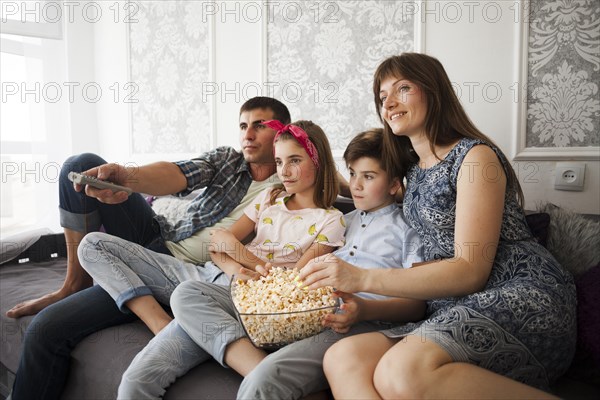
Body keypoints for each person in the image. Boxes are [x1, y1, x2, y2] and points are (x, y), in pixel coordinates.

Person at [298, 53, 576, 399]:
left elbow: (470, 270)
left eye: (403, 88)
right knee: (342, 357)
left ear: (433, 91)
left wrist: (360, 277)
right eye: (382, 96)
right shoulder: (412, 171)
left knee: (398, 371)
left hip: (519, 294)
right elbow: (360, 185)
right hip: (449, 306)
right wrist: (305, 179)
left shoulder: (475, 158)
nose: (390, 103)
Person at [8, 97, 291, 400]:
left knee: (46, 329)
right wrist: (130, 179)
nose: (247, 135)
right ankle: (75, 282)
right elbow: (178, 173)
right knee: (79, 165)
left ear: (284, 132)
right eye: (243, 126)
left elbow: (332, 180)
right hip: (157, 238)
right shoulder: (229, 161)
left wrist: (341, 179)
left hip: (192, 276)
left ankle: (154, 313)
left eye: (259, 126)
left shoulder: (291, 183)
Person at [163, 128, 425, 400]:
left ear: (395, 184)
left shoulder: (409, 230)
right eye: (352, 173)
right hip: (303, 311)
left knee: (261, 383)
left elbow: (418, 304)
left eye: (368, 177)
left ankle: (267, 369)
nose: (356, 185)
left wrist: (363, 310)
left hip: (354, 321)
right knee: (190, 293)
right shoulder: (344, 220)